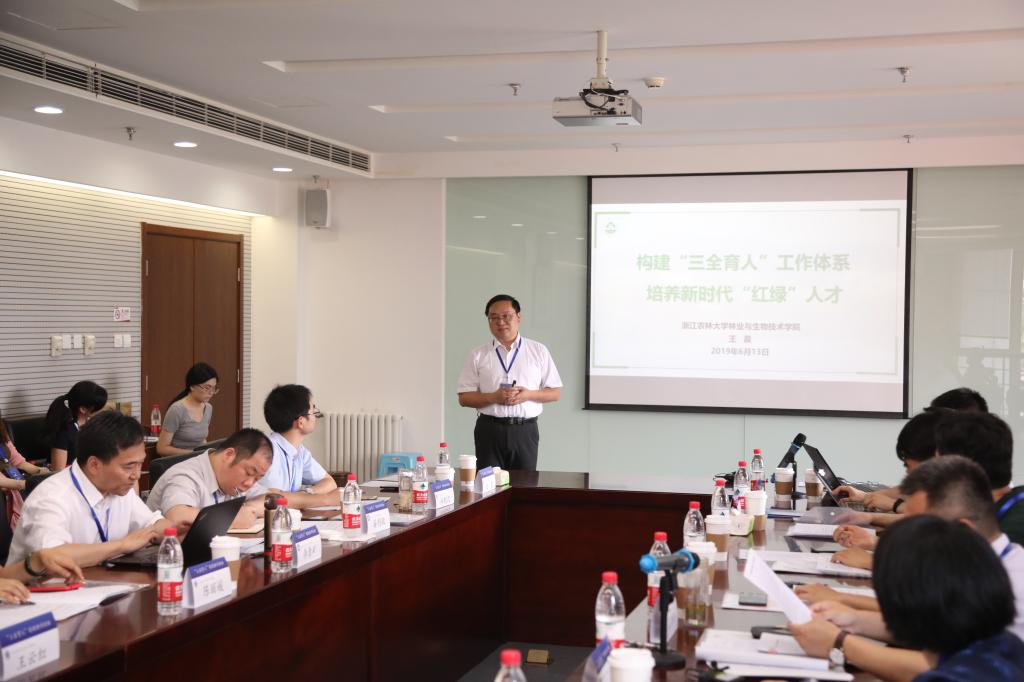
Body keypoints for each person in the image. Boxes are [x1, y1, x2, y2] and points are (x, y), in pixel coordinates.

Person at [794, 456, 1024, 679]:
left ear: (962, 531)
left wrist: (840, 643)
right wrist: (853, 619)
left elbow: (939, 667)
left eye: (918, 526)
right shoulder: (972, 570)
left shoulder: (1012, 586)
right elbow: (937, 631)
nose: (904, 534)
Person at [9, 411, 171, 567]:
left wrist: (170, 530)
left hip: (102, 582)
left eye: (140, 464)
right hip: (43, 586)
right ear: (94, 465)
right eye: (129, 466)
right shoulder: (51, 498)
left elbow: (153, 524)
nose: (136, 475)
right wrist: (121, 545)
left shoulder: (119, 488)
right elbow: (51, 557)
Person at [456, 294, 562, 471]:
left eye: (506, 316)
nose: (500, 322)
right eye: (494, 318)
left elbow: (555, 393)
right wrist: (494, 397)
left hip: (525, 430)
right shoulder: (478, 354)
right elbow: (464, 398)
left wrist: (528, 395)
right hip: (489, 430)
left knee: (525, 484)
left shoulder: (538, 350)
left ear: (518, 316)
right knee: (489, 484)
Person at [832, 409, 943, 513]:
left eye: (907, 465)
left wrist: (894, 505)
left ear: (936, 454)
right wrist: (866, 498)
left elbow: (928, 518)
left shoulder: (950, 491)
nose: (908, 473)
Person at [259, 385, 338, 496]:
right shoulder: (269, 451)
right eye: (313, 411)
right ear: (301, 422)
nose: (315, 416)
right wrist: (306, 498)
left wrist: (306, 493)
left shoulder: (300, 451)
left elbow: (329, 482)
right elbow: (274, 498)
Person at [0, 407, 51, 529]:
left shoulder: (2, 434)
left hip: (17, 483)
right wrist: (25, 484)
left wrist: (41, 472)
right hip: (6, 493)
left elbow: (18, 461)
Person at [156, 362, 219, 456]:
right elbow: (161, 448)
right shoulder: (177, 410)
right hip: (177, 461)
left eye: (214, 388)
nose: (211, 393)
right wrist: (194, 454)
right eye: (207, 388)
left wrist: (205, 453)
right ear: (192, 386)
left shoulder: (208, 408)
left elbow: (201, 440)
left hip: (197, 459)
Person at [44, 380, 108, 470]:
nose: (104, 409)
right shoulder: (64, 432)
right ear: (83, 409)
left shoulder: (92, 425)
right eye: (99, 407)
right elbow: (58, 470)